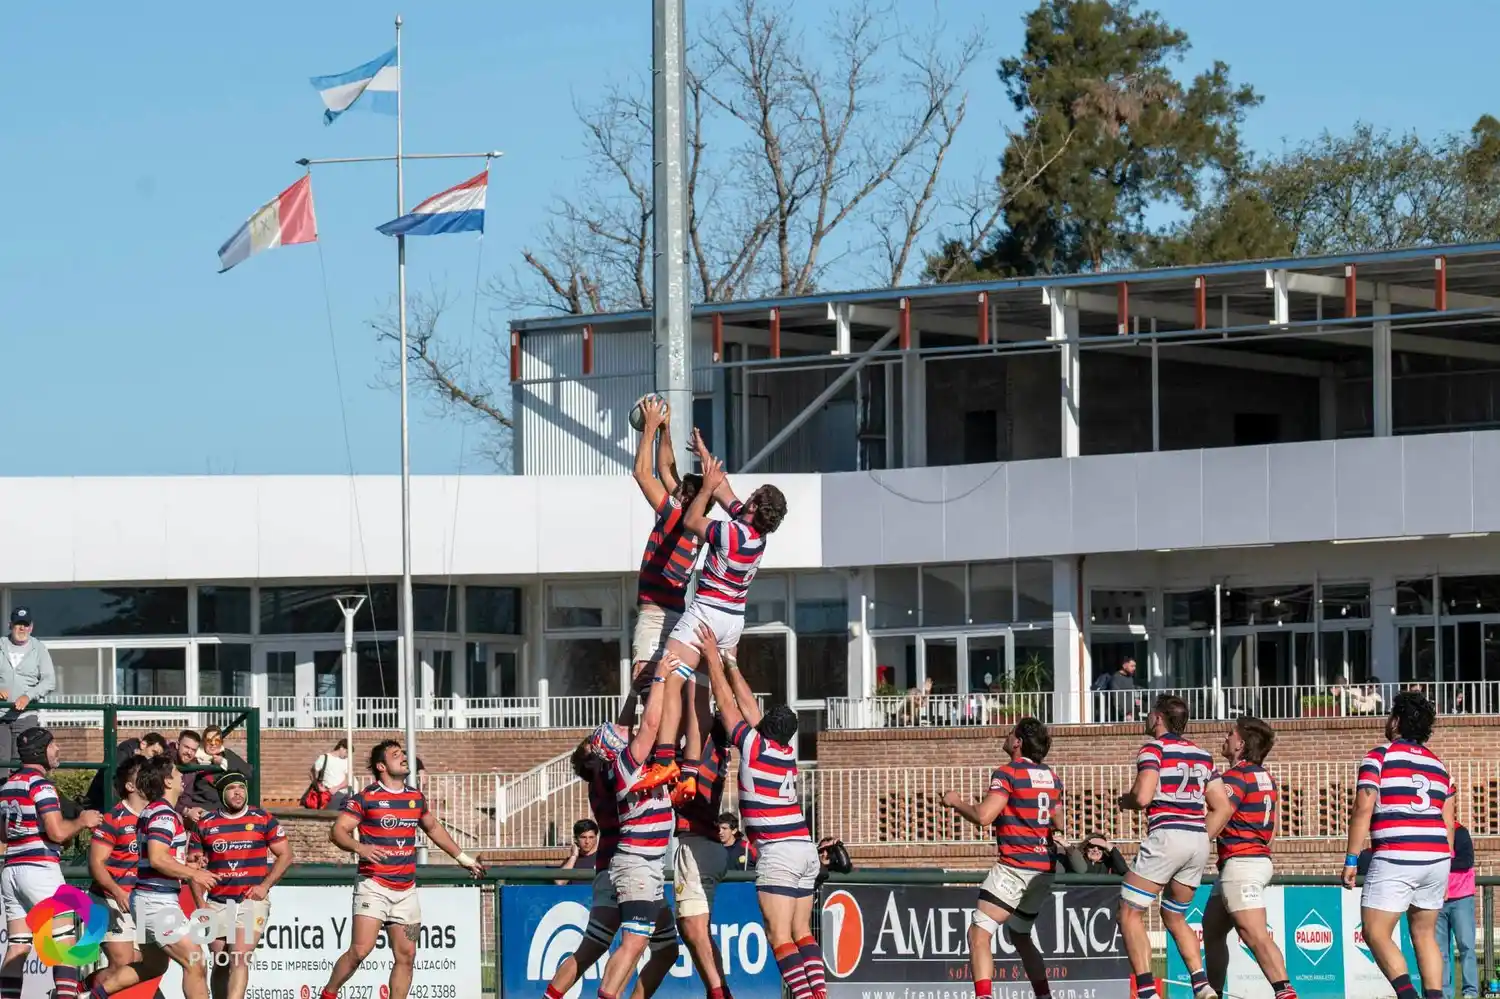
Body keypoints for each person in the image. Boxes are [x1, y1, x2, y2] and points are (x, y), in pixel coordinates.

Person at [634, 436, 787, 796]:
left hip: (707, 612)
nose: (744, 498)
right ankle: (690, 770)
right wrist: (708, 462)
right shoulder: (756, 536)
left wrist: (705, 489)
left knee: (669, 673)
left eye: (751, 497)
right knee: (699, 694)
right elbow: (727, 493)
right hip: (733, 622)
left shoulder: (730, 533)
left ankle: (665, 759)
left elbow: (692, 520)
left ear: (754, 505)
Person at [699, 627, 823, 999]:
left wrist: (711, 656)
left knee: (779, 936)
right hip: (805, 848)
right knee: (803, 933)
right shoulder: (786, 753)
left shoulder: (753, 746)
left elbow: (727, 702)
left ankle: (804, 997)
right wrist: (732, 661)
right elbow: (750, 707)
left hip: (779, 852)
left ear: (765, 729)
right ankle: (819, 994)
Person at [318, 740, 485, 999]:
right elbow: (337, 831)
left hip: (406, 890)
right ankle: (328, 993)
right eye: (396, 754)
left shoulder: (415, 797)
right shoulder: (366, 798)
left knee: (407, 956)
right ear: (381, 766)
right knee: (360, 951)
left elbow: (433, 828)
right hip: (373, 884)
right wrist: (359, 848)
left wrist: (462, 857)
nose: (404, 757)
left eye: (404, 753)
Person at [1342, 692, 1453, 999]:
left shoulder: (1379, 756)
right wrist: (1447, 867)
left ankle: (1408, 996)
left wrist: (1352, 858)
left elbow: (1363, 807)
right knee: (1424, 933)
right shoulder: (1439, 765)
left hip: (1397, 853)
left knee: (1376, 931)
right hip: (1437, 856)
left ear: (1397, 721)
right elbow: (1448, 820)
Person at [1116, 695, 1229, 999]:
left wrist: (1124, 802)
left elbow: (1142, 796)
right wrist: (1199, 836)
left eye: (1149, 713)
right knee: (1175, 916)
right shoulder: (1202, 754)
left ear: (1158, 718)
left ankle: (1146, 992)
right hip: (1197, 840)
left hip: (1168, 834)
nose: (1147, 718)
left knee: (1129, 912)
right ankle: (1202, 985)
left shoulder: (1154, 748)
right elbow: (1223, 807)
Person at [941, 718, 1062, 999]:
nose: (1006, 736)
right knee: (1020, 935)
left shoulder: (1007, 773)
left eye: (1011, 733)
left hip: (1015, 867)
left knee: (979, 933)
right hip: (1044, 868)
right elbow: (1058, 821)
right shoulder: (1052, 777)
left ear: (1018, 742)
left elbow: (984, 816)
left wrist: (955, 801)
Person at [86, 755, 220, 999]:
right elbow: (158, 858)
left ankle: (95, 995)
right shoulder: (164, 815)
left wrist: (185, 863)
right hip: (155, 902)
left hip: (149, 899)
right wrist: (194, 873)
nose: (183, 777)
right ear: (167, 781)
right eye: (178, 773)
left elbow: (157, 857)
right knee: (195, 961)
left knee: (152, 966)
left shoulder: (156, 811)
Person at [632, 684, 732, 999]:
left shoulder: (702, 752)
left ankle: (718, 993)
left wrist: (671, 686)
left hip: (696, 842)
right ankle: (720, 990)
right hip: (705, 843)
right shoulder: (714, 748)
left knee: (691, 927)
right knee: (695, 931)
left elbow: (685, 719)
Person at [588, 654, 680, 999]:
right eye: (621, 734)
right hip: (637, 864)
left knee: (667, 948)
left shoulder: (622, 764)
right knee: (633, 942)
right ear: (614, 747)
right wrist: (660, 678)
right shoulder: (624, 766)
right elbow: (652, 725)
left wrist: (645, 688)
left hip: (650, 866)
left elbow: (653, 728)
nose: (627, 732)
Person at [628, 397, 706, 781]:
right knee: (666, 685)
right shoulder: (694, 518)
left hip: (657, 613)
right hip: (678, 612)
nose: (672, 489)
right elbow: (666, 467)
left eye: (678, 491)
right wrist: (665, 429)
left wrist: (648, 428)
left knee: (646, 682)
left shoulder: (675, 514)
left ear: (683, 499)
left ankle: (650, 759)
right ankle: (671, 757)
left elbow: (644, 473)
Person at [0, 728, 101, 999]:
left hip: (11, 870)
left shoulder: (9, 784)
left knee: (18, 947)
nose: (58, 750)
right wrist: (82, 821)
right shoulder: (41, 784)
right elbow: (56, 832)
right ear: (40, 750)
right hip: (39, 868)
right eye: (53, 745)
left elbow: (3, 833)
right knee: (64, 942)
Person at [1202, 718, 1295, 999]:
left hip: (1241, 863)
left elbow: (1220, 815)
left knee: (1254, 934)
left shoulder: (1234, 777)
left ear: (1240, 744)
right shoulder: (1266, 777)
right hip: (1253, 859)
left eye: (1230, 734)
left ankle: (1285, 992)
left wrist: (1194, 842)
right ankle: (1215, 993)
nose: (1226, 737)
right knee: (1212, 928)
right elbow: (1272, 831)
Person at [188, 772, 294, 999]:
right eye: (231, 788)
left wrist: (265, 886)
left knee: (239, 955)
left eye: (241, 788)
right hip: (217, 901)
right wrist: (200, 903)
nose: (238, 792)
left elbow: (285, 855)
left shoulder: (263, 818)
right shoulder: (206, 824)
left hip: (250, 900)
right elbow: (193, 869)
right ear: (221, 793)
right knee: (221, 960)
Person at [540, 737, 626, 999]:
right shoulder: (609, 779)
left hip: (618, 868)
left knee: (603, 946)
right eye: (596, 751)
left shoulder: (599, 782)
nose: (603, 750)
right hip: (625, 868)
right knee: (636, 943)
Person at [87, 755, 148, 977]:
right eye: (143, 776)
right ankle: (83, 990)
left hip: (142, 901)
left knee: (144, 964)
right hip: (109, 900)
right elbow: (95, 863)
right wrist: (117, 891)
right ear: (130, 786)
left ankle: (82, 989)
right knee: (122, 965)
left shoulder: (158, 816)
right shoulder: (114, 818)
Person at [0, 608, 55, 778]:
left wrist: (28, 696)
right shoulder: (1, 644)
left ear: (31, 627)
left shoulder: (39, 649)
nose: (22, 628)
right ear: (10, 625)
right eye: (18, 624)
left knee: (24, 763)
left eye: (25, 625)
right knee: (1, 763)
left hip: (26, 715)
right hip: (1, 715)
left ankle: (20, 800)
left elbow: (49, 681)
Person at [1436, 822, 1477, 999]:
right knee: (1439, 952)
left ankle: (1470, 992)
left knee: (1466, 946)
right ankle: (1444, 993)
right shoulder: (1431, 832)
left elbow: (1466, 860)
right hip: (1436, 899)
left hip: (1461, 898)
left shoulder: (1460, 831)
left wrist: (1440, 863)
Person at [85, 733, 166, 811]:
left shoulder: (136, 757)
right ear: (143, 745)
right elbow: (111, 781)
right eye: (153, 752)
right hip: (102, 802)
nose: (153, 758)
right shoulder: (123, 754)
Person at [310, 739, 353, 811]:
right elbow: (311, 772)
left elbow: (348, 779)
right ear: (341, 748)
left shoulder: (346, 760)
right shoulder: (324, 758)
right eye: (346, 752)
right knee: (330, 817)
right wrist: (318, 786)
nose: (346, 755)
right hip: (330, 795)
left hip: (344, 795)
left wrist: (337, 788)